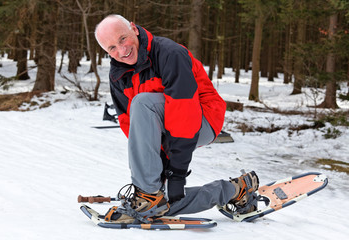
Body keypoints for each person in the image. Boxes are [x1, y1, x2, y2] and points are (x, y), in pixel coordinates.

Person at [95, 14, 259, 223]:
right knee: (161, 205)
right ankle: (236, 190)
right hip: (167, 127)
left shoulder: (170, 54)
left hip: (202, 118)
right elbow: (130, 123)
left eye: (122, 39)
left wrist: (176, 172)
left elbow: (184, 111)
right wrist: (155, 164)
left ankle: (148, 195)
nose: (121, 50)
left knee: (142, 102)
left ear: (134, 29)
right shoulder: (118, 74)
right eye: (112, 48)